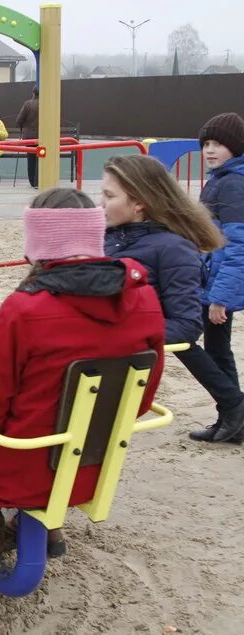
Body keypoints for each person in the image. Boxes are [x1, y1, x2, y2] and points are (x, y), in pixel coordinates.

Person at [0, 188, 165, 569]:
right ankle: (50, 527)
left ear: (39, 241)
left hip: (19, 472)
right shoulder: (144, 298)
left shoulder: (24, 309)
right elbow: (142, 398)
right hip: (91, 469)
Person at [100, 154, 238, 442]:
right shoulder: (109, 235)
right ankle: (234, 406)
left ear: (139, 203)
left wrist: (119, 333)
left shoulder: (173, 248)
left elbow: (186, 326)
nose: (100, 202)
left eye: (108, 195)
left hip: (136, 342)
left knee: (201, 347)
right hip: (113, 352)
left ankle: (234, 406)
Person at [187, 113, 244, 441]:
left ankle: (234, 406)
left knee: (181, 338)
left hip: (217, 286)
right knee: (217, 349)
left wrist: (220, 296)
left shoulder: (233, 183)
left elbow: (238, 247)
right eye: (206, 144)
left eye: (218, 144)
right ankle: (232, 418)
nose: (209, 150)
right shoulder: (221, 179)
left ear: (235, 147)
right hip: (209, 280)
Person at [15, 87, 40, 188]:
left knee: (31, 158)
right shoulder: (48, 103)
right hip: (45, 136)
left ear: (33, 92)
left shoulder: (28, 104)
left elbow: (19, 120)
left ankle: (33, 182)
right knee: (42, 157)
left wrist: (22, 125)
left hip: (30, 137)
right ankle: (40, 180)